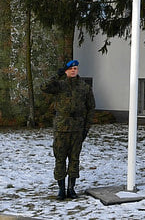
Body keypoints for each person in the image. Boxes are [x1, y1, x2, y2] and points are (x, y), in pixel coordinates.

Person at [41, 59, 96, 200]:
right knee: (60, 159)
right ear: (66, 71)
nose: (73, 70)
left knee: (74, 159)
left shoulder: (84, 87)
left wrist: (86, 127)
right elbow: (44, 87)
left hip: (77, 128)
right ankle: (61, 189)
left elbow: (91, 108)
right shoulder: (59, 85)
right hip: (61, 128)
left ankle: (71, 188)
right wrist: (57, 75)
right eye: (71, 69)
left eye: (76, 68)